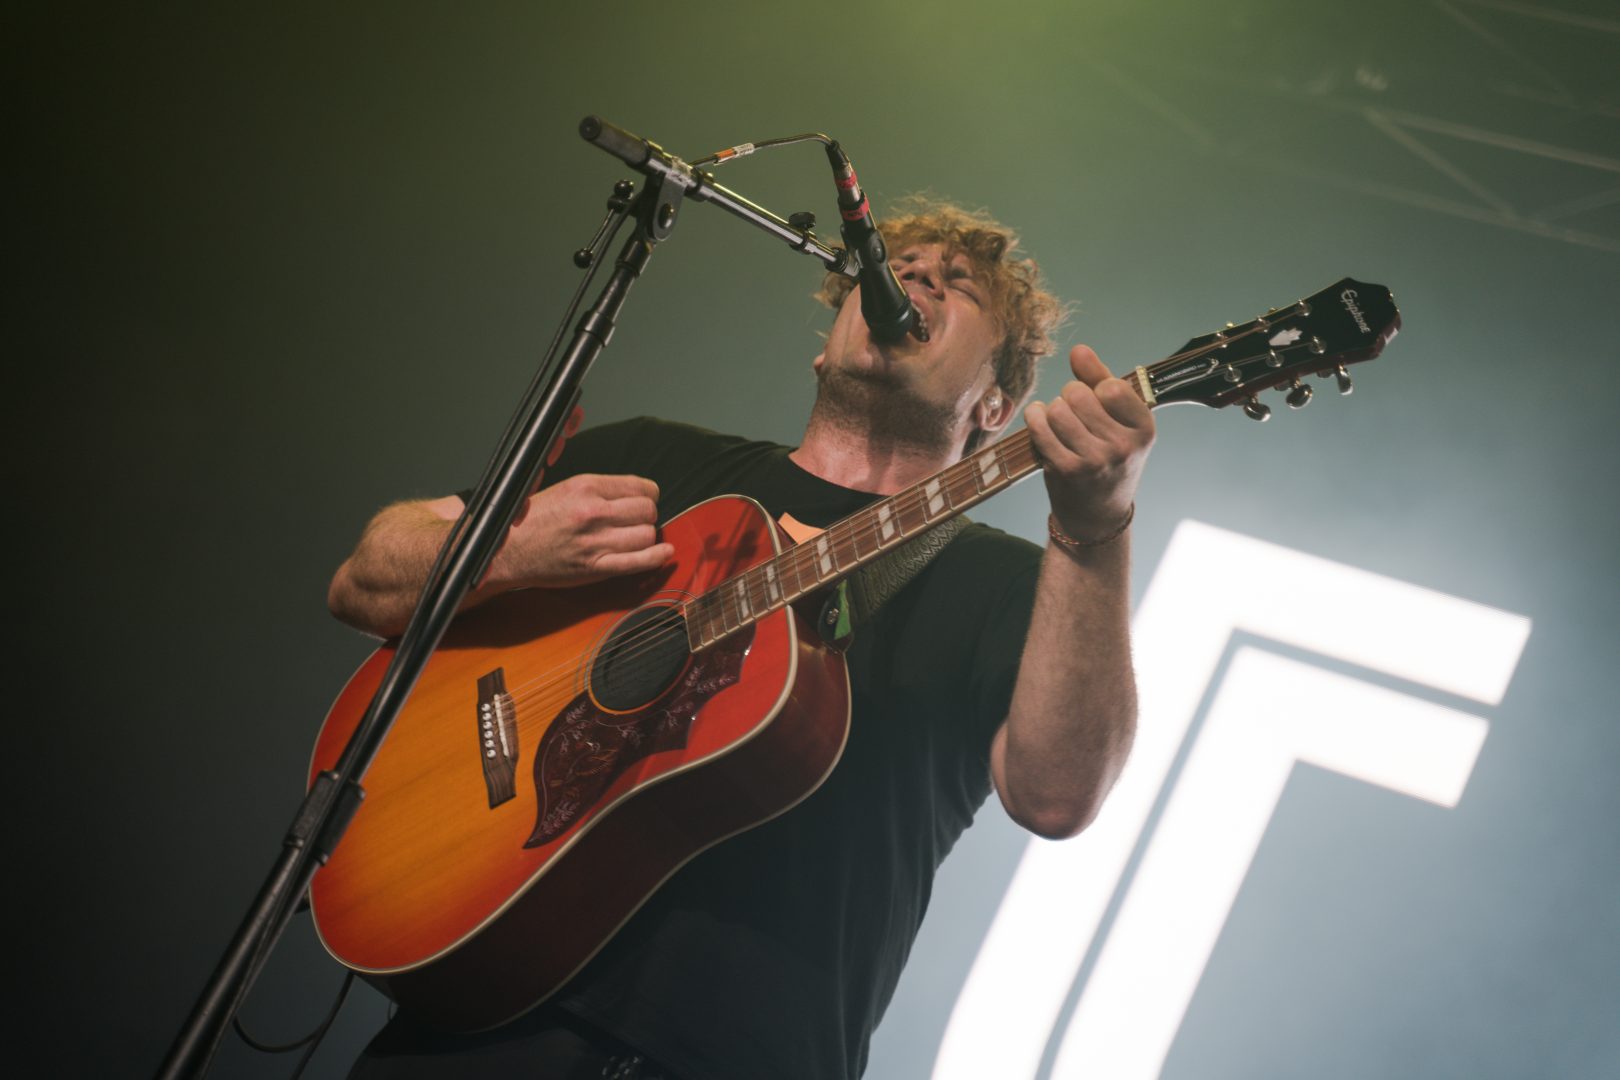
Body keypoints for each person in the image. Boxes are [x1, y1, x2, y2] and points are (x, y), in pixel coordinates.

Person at [329, 200, 1156, 1079]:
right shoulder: (656, 460)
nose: (914, 278)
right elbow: (364, 582)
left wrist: (1095, 530)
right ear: (824, 346)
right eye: (900, 265)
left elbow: (1057, 798)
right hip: (469, 1028)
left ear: (997, 401)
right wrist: (513, 551)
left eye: (958, 287)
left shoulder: (1014, 581)